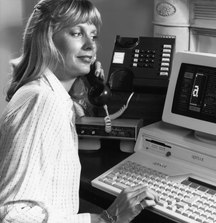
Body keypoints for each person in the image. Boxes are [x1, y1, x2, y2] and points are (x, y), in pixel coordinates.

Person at [0, 0, 158, 222]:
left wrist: (85, 88)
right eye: (76, 33)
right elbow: (13, 216)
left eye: (92, 36)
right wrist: (108, 218)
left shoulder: (48, 94)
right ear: (47, 40)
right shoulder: (42, 100)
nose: (90, 46)